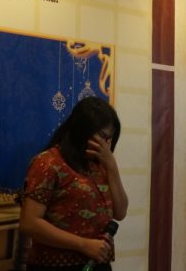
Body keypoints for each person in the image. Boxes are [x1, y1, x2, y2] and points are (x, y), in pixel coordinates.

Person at [19, 96, 128, 271]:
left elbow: (120, 212)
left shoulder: (100, 164)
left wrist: (112, 166)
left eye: (109, 139)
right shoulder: (48, 163)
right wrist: (83, 244)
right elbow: (30, 223)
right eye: (102, 137)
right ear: (83, 130)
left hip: (97, 263)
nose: (105, 145)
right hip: (55, 265)